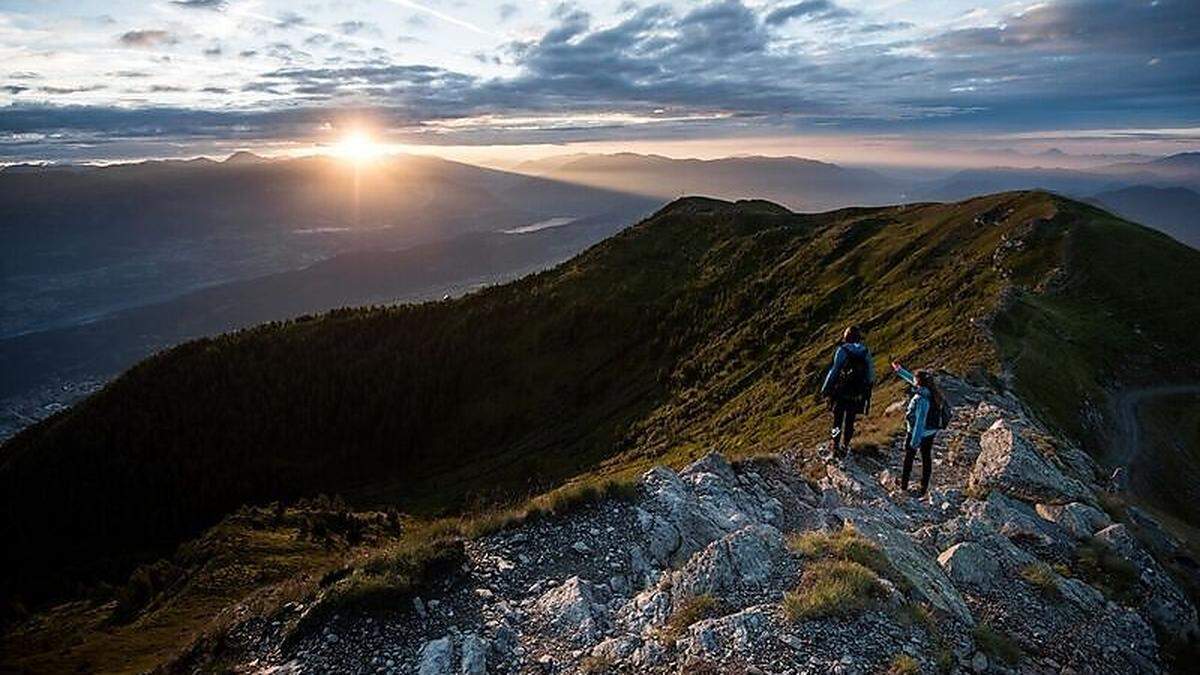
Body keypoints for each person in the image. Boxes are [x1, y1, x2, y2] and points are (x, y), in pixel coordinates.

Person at [892, 362, 948, 496]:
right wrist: (899, 370)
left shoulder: (921, 399)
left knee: (909, 458)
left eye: (915, 380)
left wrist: (914, 441)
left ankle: (904, 487)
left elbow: (919, 422)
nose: (913, 381)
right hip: (930, 432)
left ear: (919, 382)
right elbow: (911, 378)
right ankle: (924, 487)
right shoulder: (930, 391)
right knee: (926, 457)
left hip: (918, 432)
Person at [819, 326, 874, 458]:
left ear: (846, 337)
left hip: (841, 392)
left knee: (837, 420)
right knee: (850, 420)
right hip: (856, 393)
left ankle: (835, 445)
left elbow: (834, 370)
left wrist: (826, 389)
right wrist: (866, 389)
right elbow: (871, 374)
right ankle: (845, 446)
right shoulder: (865, 351)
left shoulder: (842, 350)